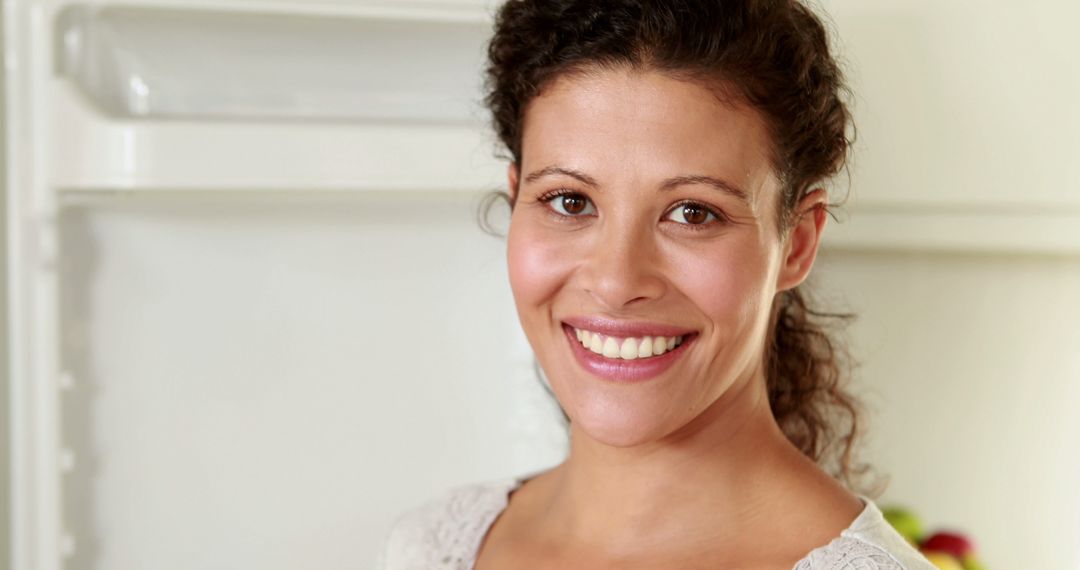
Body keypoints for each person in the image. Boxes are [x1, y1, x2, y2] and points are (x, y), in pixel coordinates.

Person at [379, 0, 936, 568]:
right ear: (517, 193)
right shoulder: (432, 546)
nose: (617, 281)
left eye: (693, 213)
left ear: (796, 244)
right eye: (570, 201)